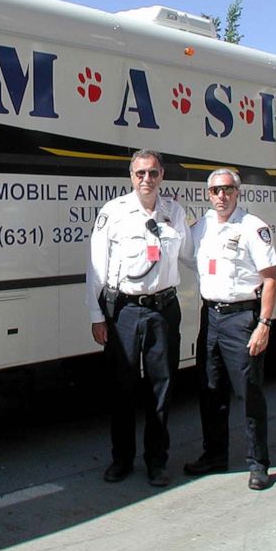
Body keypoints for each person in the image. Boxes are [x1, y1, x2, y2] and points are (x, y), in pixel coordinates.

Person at [86, 150, 191, 487]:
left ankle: (157, 461)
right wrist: (96, 315)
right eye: (140, 173)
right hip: (125, 312)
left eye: (153, 173)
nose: (147, 179)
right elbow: (96, 267)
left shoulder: (174, 212)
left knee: (162, 388)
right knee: (122, 388)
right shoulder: (113, 213)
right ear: (131, 176)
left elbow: (191, 255)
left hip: (163, 310)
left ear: (162, 176)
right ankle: (121, 459)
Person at [183, 167, 276, 490]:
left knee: (248, 393)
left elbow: (270, 279)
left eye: (226, 190)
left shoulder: (253, 228)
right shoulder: (202, 227)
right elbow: (180, 253)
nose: (221, 196)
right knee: (210, 390)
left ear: (238, 192)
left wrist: (263, 324)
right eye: (214, 191)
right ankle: (214, 455)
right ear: (207, 195)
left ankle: (258, 463)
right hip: (211, 317)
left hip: (242, 319)